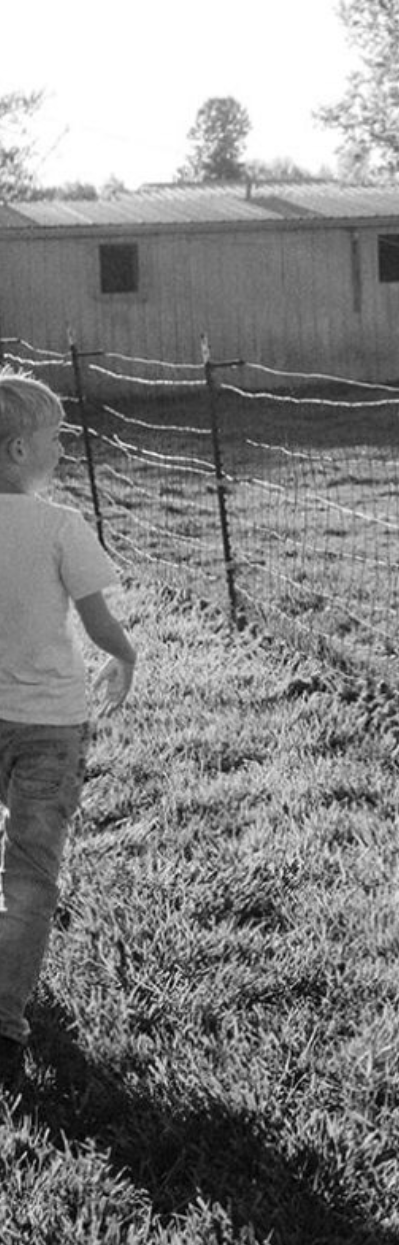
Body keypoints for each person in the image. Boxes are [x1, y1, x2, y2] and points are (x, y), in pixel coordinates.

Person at [0, 370, 136, 1097]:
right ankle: (5, 1016)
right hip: (50, 724)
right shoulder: (58, 527)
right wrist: (125, 653)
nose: (63, 448)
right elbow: (94, 618)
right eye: (55, 438)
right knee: (30, 869)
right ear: (21, 449)